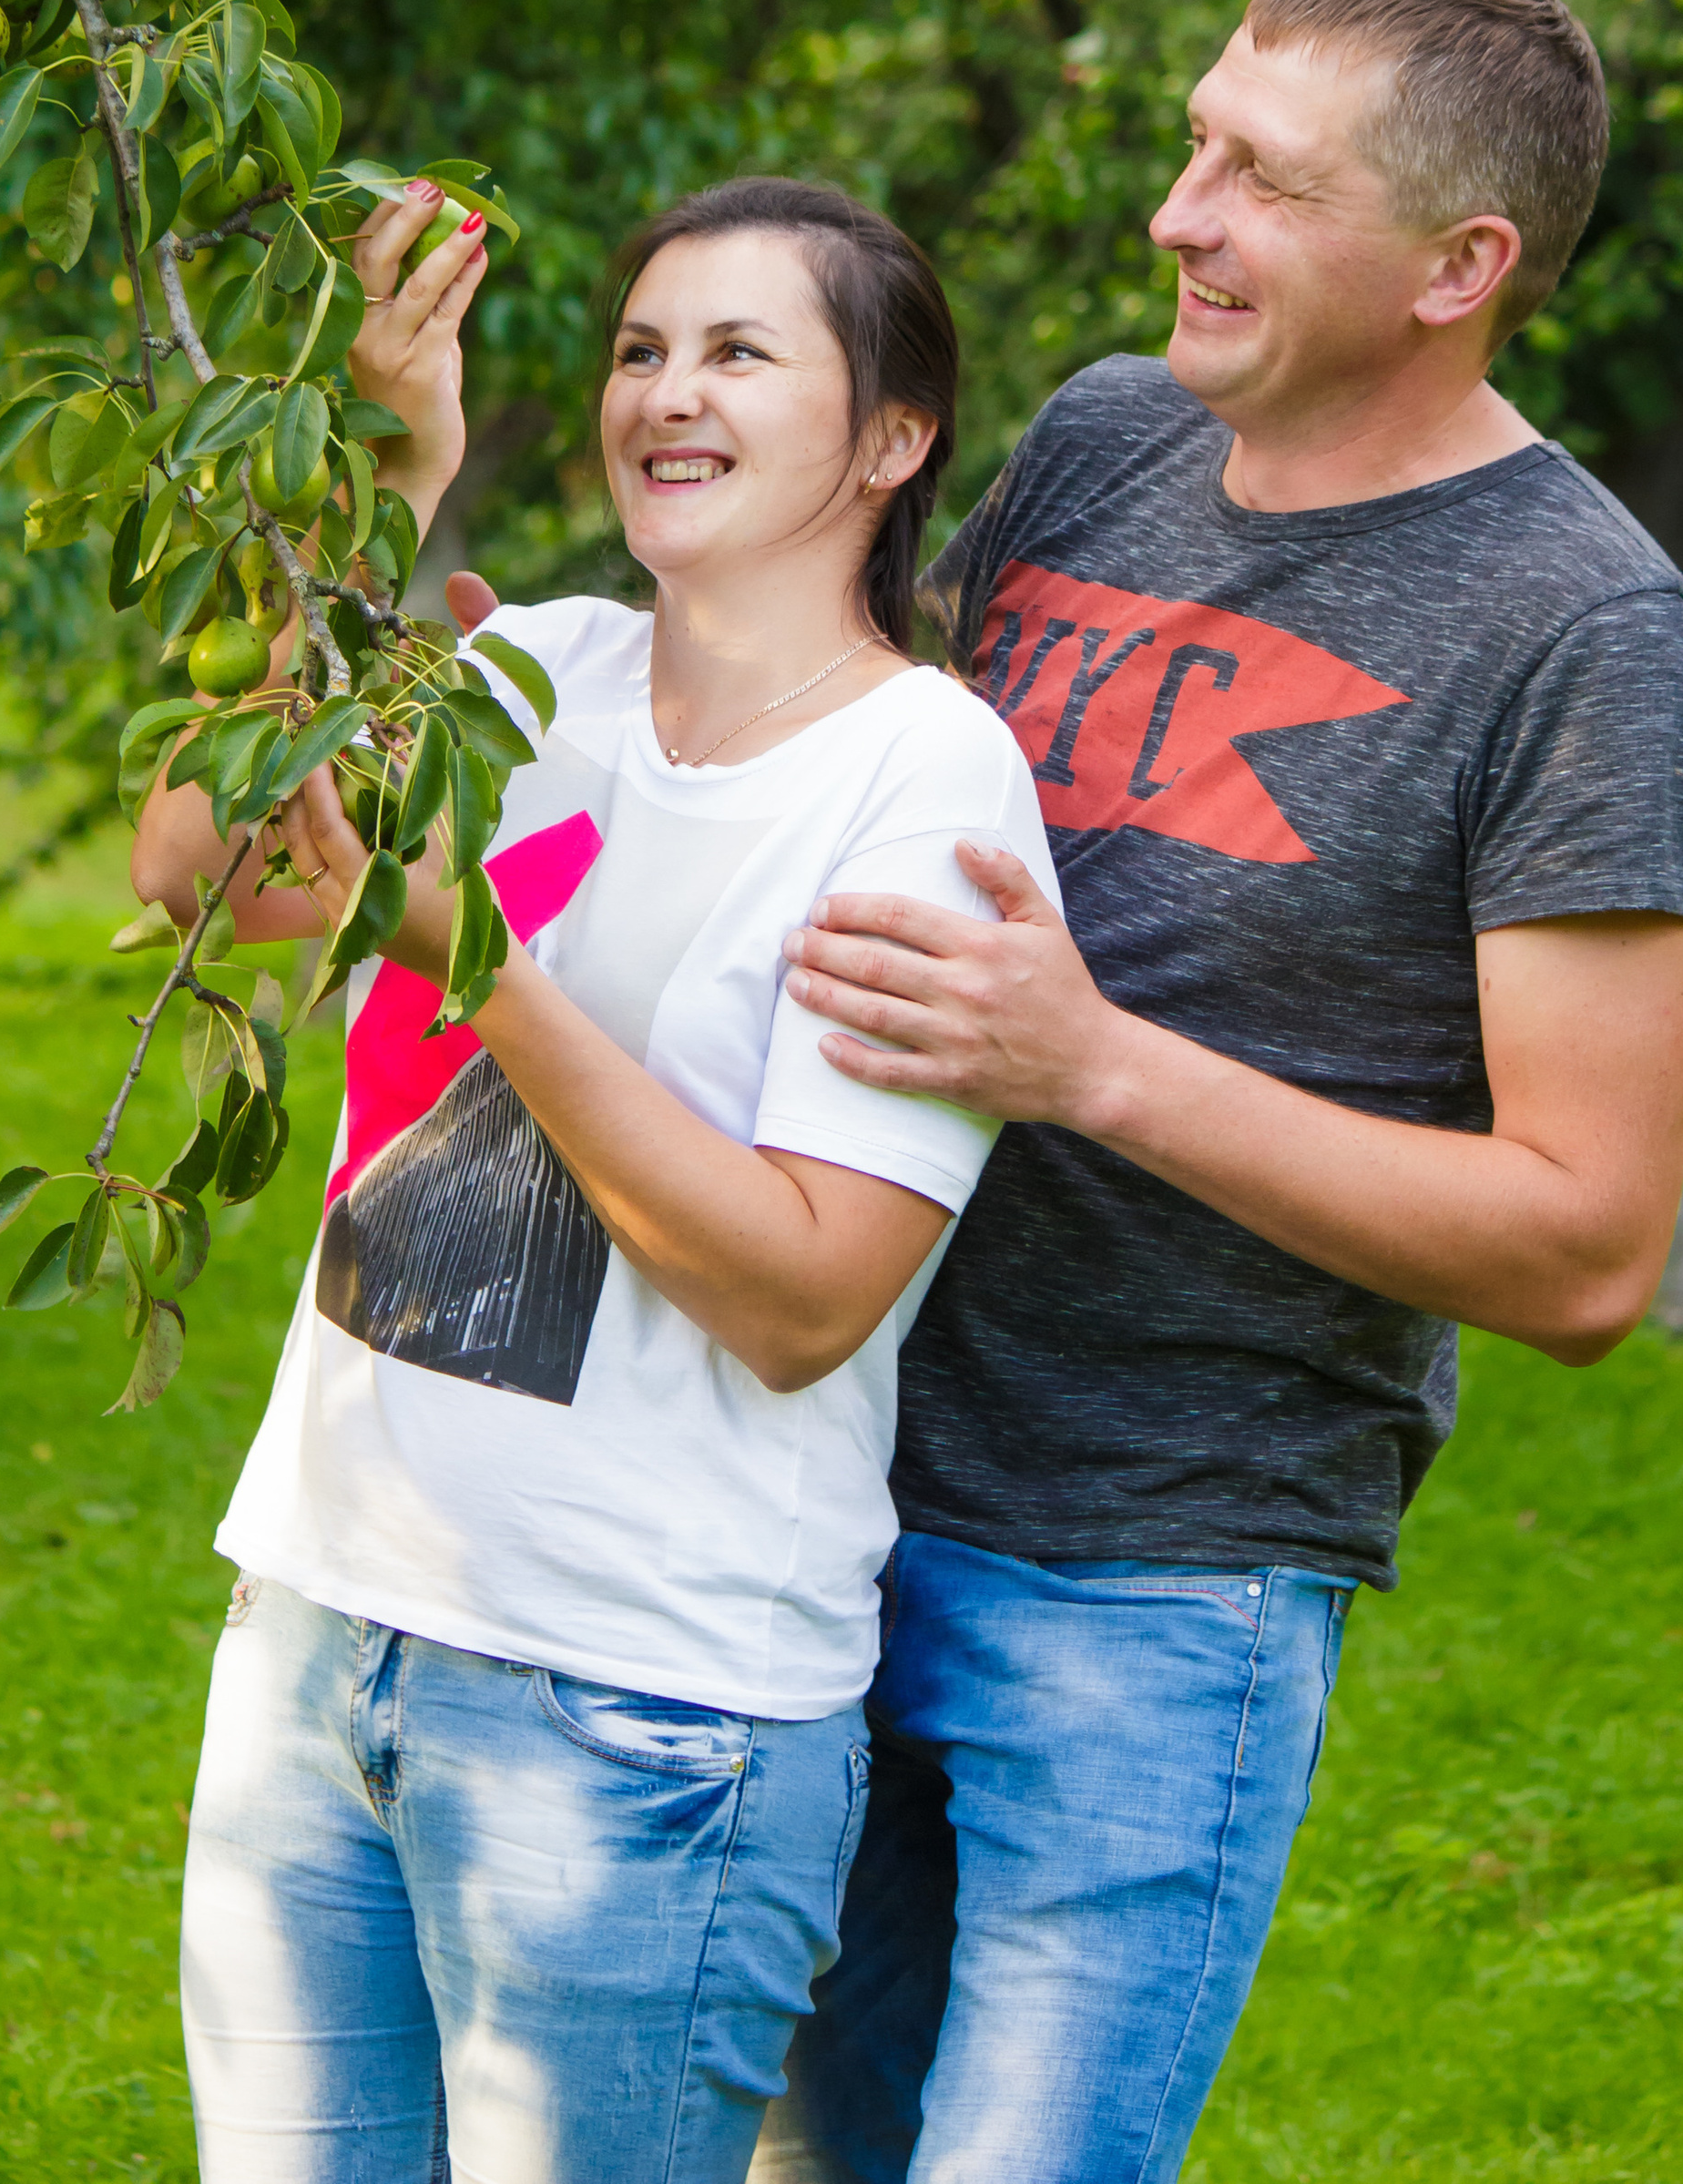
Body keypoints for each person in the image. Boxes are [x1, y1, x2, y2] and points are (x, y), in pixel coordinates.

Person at [751, 0, 1683, 2181]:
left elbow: (1584, 1248)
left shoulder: (1585, 641)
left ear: (1454, 267)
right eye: (1195, 145)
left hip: (1151, 1585)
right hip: (823, 1482)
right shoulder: (1104, 440)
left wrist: (1089, 1066)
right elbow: (819, 740)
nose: (1174, 214)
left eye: (1262, 181)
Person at [131, 175, 1061, 2184]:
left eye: (738, 351)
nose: (665, 392)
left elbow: (804, 1296)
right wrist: (382, 483)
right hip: (323, 1630)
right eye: (641, 349)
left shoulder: (921, 782)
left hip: (638, 1715)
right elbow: (198, 865)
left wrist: (472, 959)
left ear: (892, 439)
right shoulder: (525, 673)